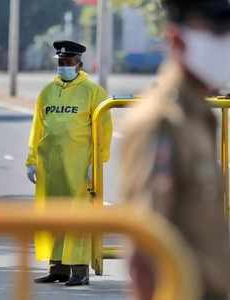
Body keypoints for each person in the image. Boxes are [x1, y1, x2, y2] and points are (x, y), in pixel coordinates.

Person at [120, 0, 230, 299]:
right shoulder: (161, 121)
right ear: (176, 38)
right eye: (216, 33)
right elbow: (145, 246)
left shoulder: (198, 114)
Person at [25, 40, 113, 286]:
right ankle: (58, 267)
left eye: (68, 62)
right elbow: (37, 127)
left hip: (79, 167)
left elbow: (104, 129)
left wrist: (97, 161)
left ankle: (79, 270)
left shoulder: (93, 92)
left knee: (77, 216)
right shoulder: (47, 92)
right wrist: (31, 160)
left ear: (79, 64)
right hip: (50, 166)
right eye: (60, 62)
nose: (63, 66)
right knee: (52, 213)